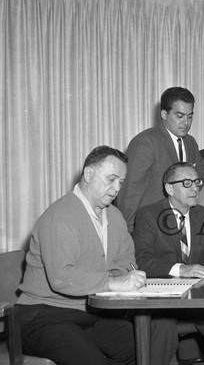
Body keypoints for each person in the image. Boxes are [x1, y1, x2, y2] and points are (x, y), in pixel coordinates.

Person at [15, 146, 147, 365]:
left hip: (90, 312)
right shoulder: (60, 216)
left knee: (140, 345)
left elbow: (128, 260)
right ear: (88, 174)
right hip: (42, 316)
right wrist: (112, 282)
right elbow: (61, 278)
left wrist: (118, 277)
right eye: (111, 179)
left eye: (121, 182)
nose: (116, 189)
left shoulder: (114, 216)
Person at [132, 162, 204, 365]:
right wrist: (182, 269)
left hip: (197, 298)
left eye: (196, 182)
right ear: (169, 188)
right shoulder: (149, 215)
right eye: (187, 183)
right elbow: (142, 260)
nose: (195, 188)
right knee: (162, 327)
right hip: (161, 301)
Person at [117, 86, 204, 232]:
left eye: (190, 116)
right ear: (164, 115)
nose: (186, 122)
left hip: (181, 223)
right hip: (150, 226)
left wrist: (189, 186)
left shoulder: (190, 142)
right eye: (180, 116)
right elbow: (130, 192)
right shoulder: (145, 142)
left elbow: (202, 169)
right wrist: (127, 231)